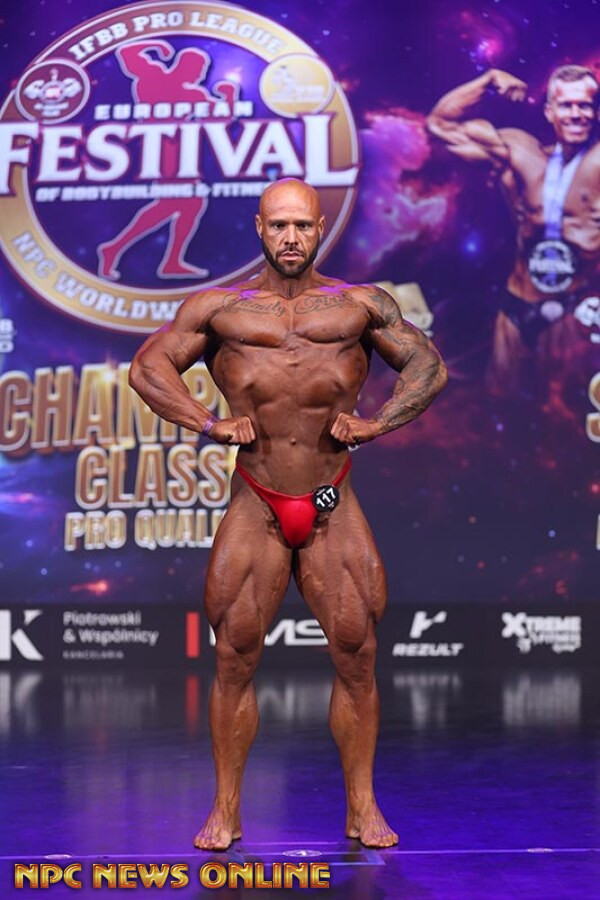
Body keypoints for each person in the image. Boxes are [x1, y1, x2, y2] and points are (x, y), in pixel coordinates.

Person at [129, 178, 447, 849]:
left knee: (357, 655)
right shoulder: (219, 308)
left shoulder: (361, 304)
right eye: (279, 226)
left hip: (332, 499)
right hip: (258, 499)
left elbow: (427, 365)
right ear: (260, 229)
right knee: (234, 656)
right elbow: (148, 368)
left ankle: (362, 807)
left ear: (321, 228)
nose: (292, 238)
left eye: (303, 225)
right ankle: (226, 811)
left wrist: (379, 422)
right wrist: (207, 422)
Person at [428, 65, 600, 395]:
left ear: (596, 112)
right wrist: (488, 80)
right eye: (566, 105)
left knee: (564, 414)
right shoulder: (522, 154)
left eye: (584, 105)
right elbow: (440, 124)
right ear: (550, 112)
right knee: (503, 406)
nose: (576, 114)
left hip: (573, 311)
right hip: (516, 307)